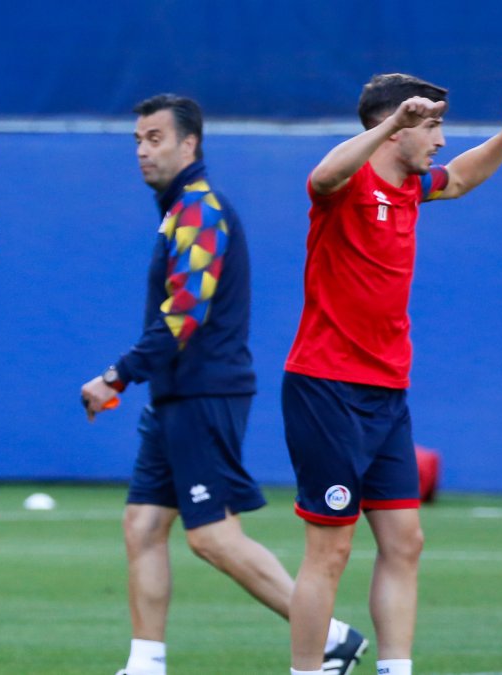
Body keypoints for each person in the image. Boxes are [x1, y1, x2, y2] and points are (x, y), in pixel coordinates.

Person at [79, 94, 368, 675]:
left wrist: (116, 375)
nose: (142, 150)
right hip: (174, 394)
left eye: (154, 138)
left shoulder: (199, 210)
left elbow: (185, 313)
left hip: (205, 393)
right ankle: (146, 662)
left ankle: (332, 636)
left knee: (211, 537)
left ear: (190, 144)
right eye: (137, 139)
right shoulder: (177, 210)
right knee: (142, 524)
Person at [281, 73, 502, 675]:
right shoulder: (347, 183)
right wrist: (393, 124)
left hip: (386, 393)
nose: (440, 138)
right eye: (431, 125)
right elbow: (320, 176)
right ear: (396, 126)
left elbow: (459, 178)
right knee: (330, 550)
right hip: (328, 388)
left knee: (405, 543)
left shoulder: (410, 187)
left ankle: (395, 669)